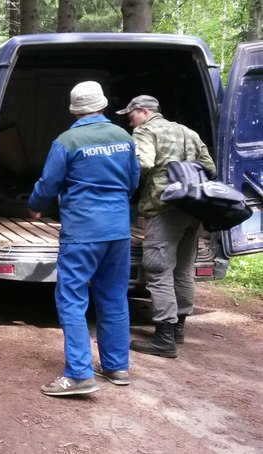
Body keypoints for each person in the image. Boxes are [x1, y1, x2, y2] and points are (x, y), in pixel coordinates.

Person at [28, 81, 139, 396]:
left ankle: (78, 374)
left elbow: (49, 184)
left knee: (72, 299)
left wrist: (35, 207)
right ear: (103, 105)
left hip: (82, 232)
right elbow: (133, 180)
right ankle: (116, 367)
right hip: (118, 231)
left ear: (75, 110)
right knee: (114, 297)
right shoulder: (124, 137)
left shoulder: (67, 141)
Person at [116, 95, 216, 358]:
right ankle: (179, 329)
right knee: (183, 270)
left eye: (131, 115)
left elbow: (143, 163)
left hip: (164, 208)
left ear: (145, 112)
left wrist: (123, 184)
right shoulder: (187, 131)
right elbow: (210, 168)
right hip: (193, 208)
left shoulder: (145, 130)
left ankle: (163, 338)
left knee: (158, 271)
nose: (130, 121)